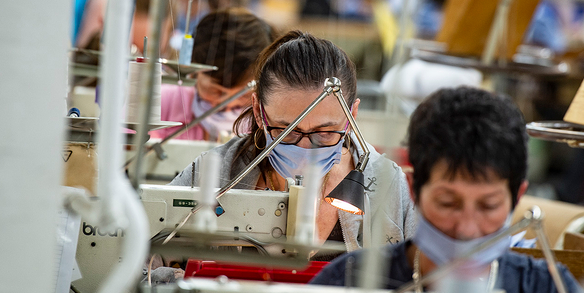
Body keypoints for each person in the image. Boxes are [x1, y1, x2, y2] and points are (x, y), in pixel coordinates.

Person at [309, 87, 580, 293]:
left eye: (488, 206)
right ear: (414, 190)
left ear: (517, 197)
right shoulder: (346, 284)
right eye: (448, 203)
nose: (467, 228)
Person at [168, 31, 417, 252]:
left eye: (325, 132)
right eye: (287, 132)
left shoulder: (387, 184)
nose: (305, 149)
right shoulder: (216, 172)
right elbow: (144, 258)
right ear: (258, 111)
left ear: (351, 116)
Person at [151, 8, 277, 142]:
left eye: (244, 95)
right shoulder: (160, 102)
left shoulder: (268, 123)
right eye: (216, 91)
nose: (226, 105)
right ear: (194, 71)